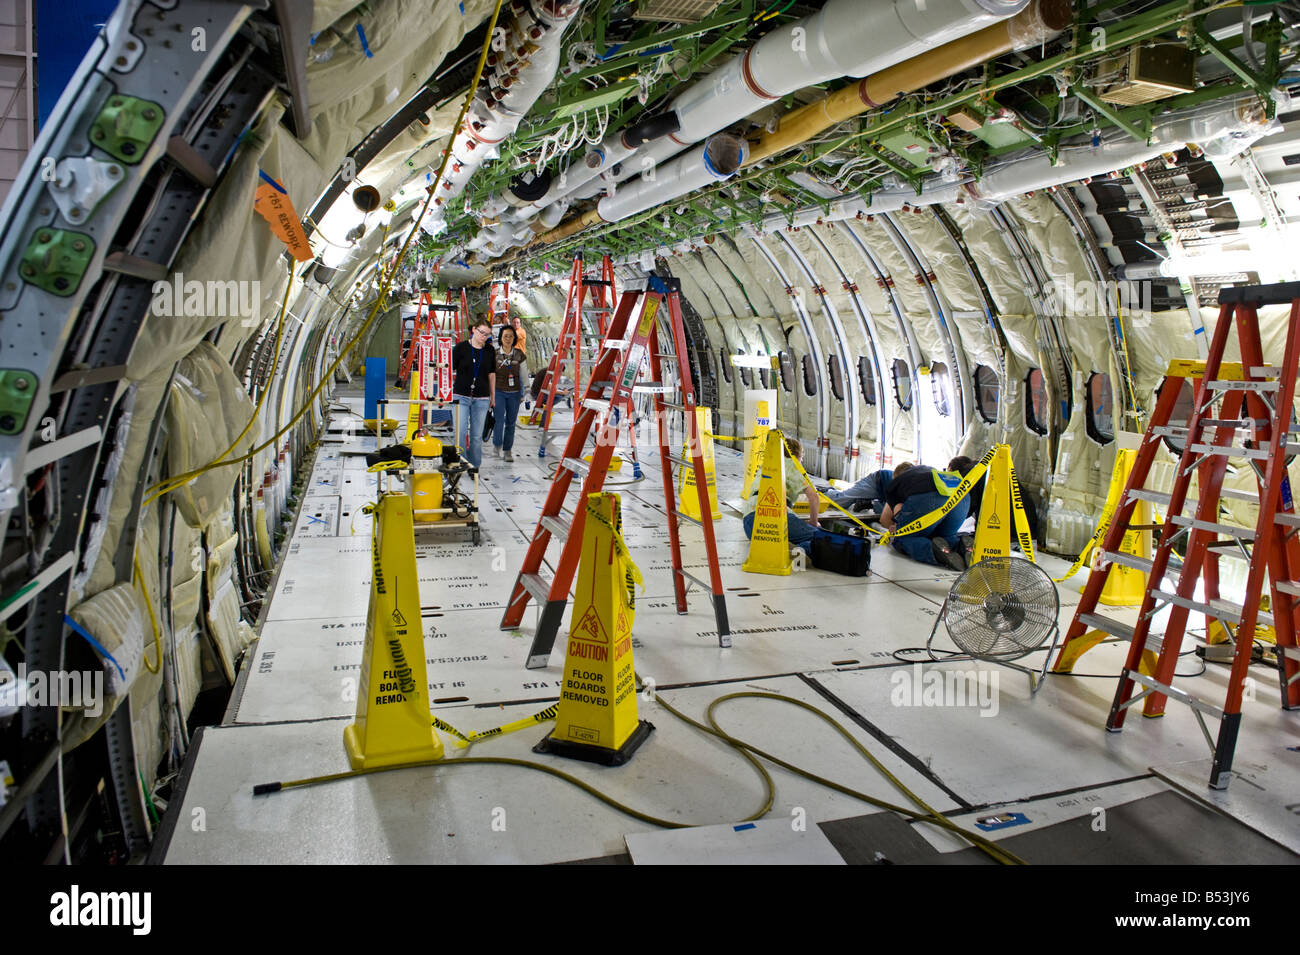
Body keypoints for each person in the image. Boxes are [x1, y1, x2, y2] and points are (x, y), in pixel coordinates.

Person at [879, 460, 969, 571]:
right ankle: (961, 548)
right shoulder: (930, 469)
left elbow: (888, 517)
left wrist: (899, 528)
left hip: (929, 495)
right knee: (944, 536)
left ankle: (937, 554)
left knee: (904, 537)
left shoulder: (895, 484)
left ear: (896, 476)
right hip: (962, 496)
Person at [741, 434, 820, 553]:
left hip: (750, 523)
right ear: (797, 455)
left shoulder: (767, 464)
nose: (802, 461)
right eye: (802, 457)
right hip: (776, 518)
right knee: (819, 537)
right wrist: (814, 522)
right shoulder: (794, 466)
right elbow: (814, 497)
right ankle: (801, 552)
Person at [451, 318, 495, 468]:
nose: (484, 337)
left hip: (482, 398)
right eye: (482, 332)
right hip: (461, 396)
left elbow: (491, 374)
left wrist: (493, 396)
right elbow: (448, 369)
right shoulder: (460, 348)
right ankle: (463, 462)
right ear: (474, 330)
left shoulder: (489, 351)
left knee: (476, 436)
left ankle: (474, 466)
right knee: (460, 433)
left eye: (487, 335)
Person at [492, 325, 526, 462]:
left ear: (514, 338)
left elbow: (524, 373)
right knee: (498, 420)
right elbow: (490, 373)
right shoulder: (494, 354)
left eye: (511, 336)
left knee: (511, 422)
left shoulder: (519, 354)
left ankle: (507, 450)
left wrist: (527, 391)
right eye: (505, 336)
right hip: (498, 391)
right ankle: (497, 444)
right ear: (500, 338)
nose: (508, 339)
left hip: (514, 392)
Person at [824, 463, 911, 513]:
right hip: (875, 482)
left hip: (885, 494)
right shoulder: (896, 484)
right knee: (841, 501)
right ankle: (827, 493)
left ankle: (868, 503)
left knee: (891, 510)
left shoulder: (912, 486)